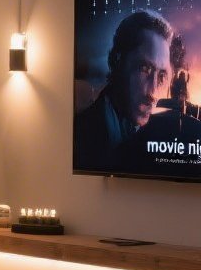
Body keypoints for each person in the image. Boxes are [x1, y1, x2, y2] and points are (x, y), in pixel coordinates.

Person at [74, 10, 172, 173]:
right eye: (145, 68)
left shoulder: (155, 134)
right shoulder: (82, 135)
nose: (153, 92)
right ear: (116, 60)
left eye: (161, 75)